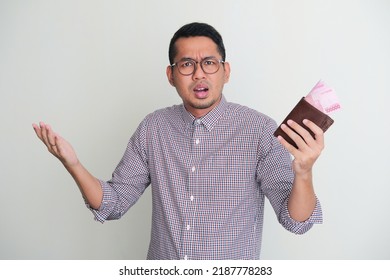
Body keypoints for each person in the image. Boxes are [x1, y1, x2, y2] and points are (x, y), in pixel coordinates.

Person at [33, 22, 324, 260]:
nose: (199, 74)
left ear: (226, 71)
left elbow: (296, 221)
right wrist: (73, 164)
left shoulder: (259, 130)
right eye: (186, 64)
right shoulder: (153, 128)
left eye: (209, 63)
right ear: (171, 75)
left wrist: (304, 171)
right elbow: (113, 203)